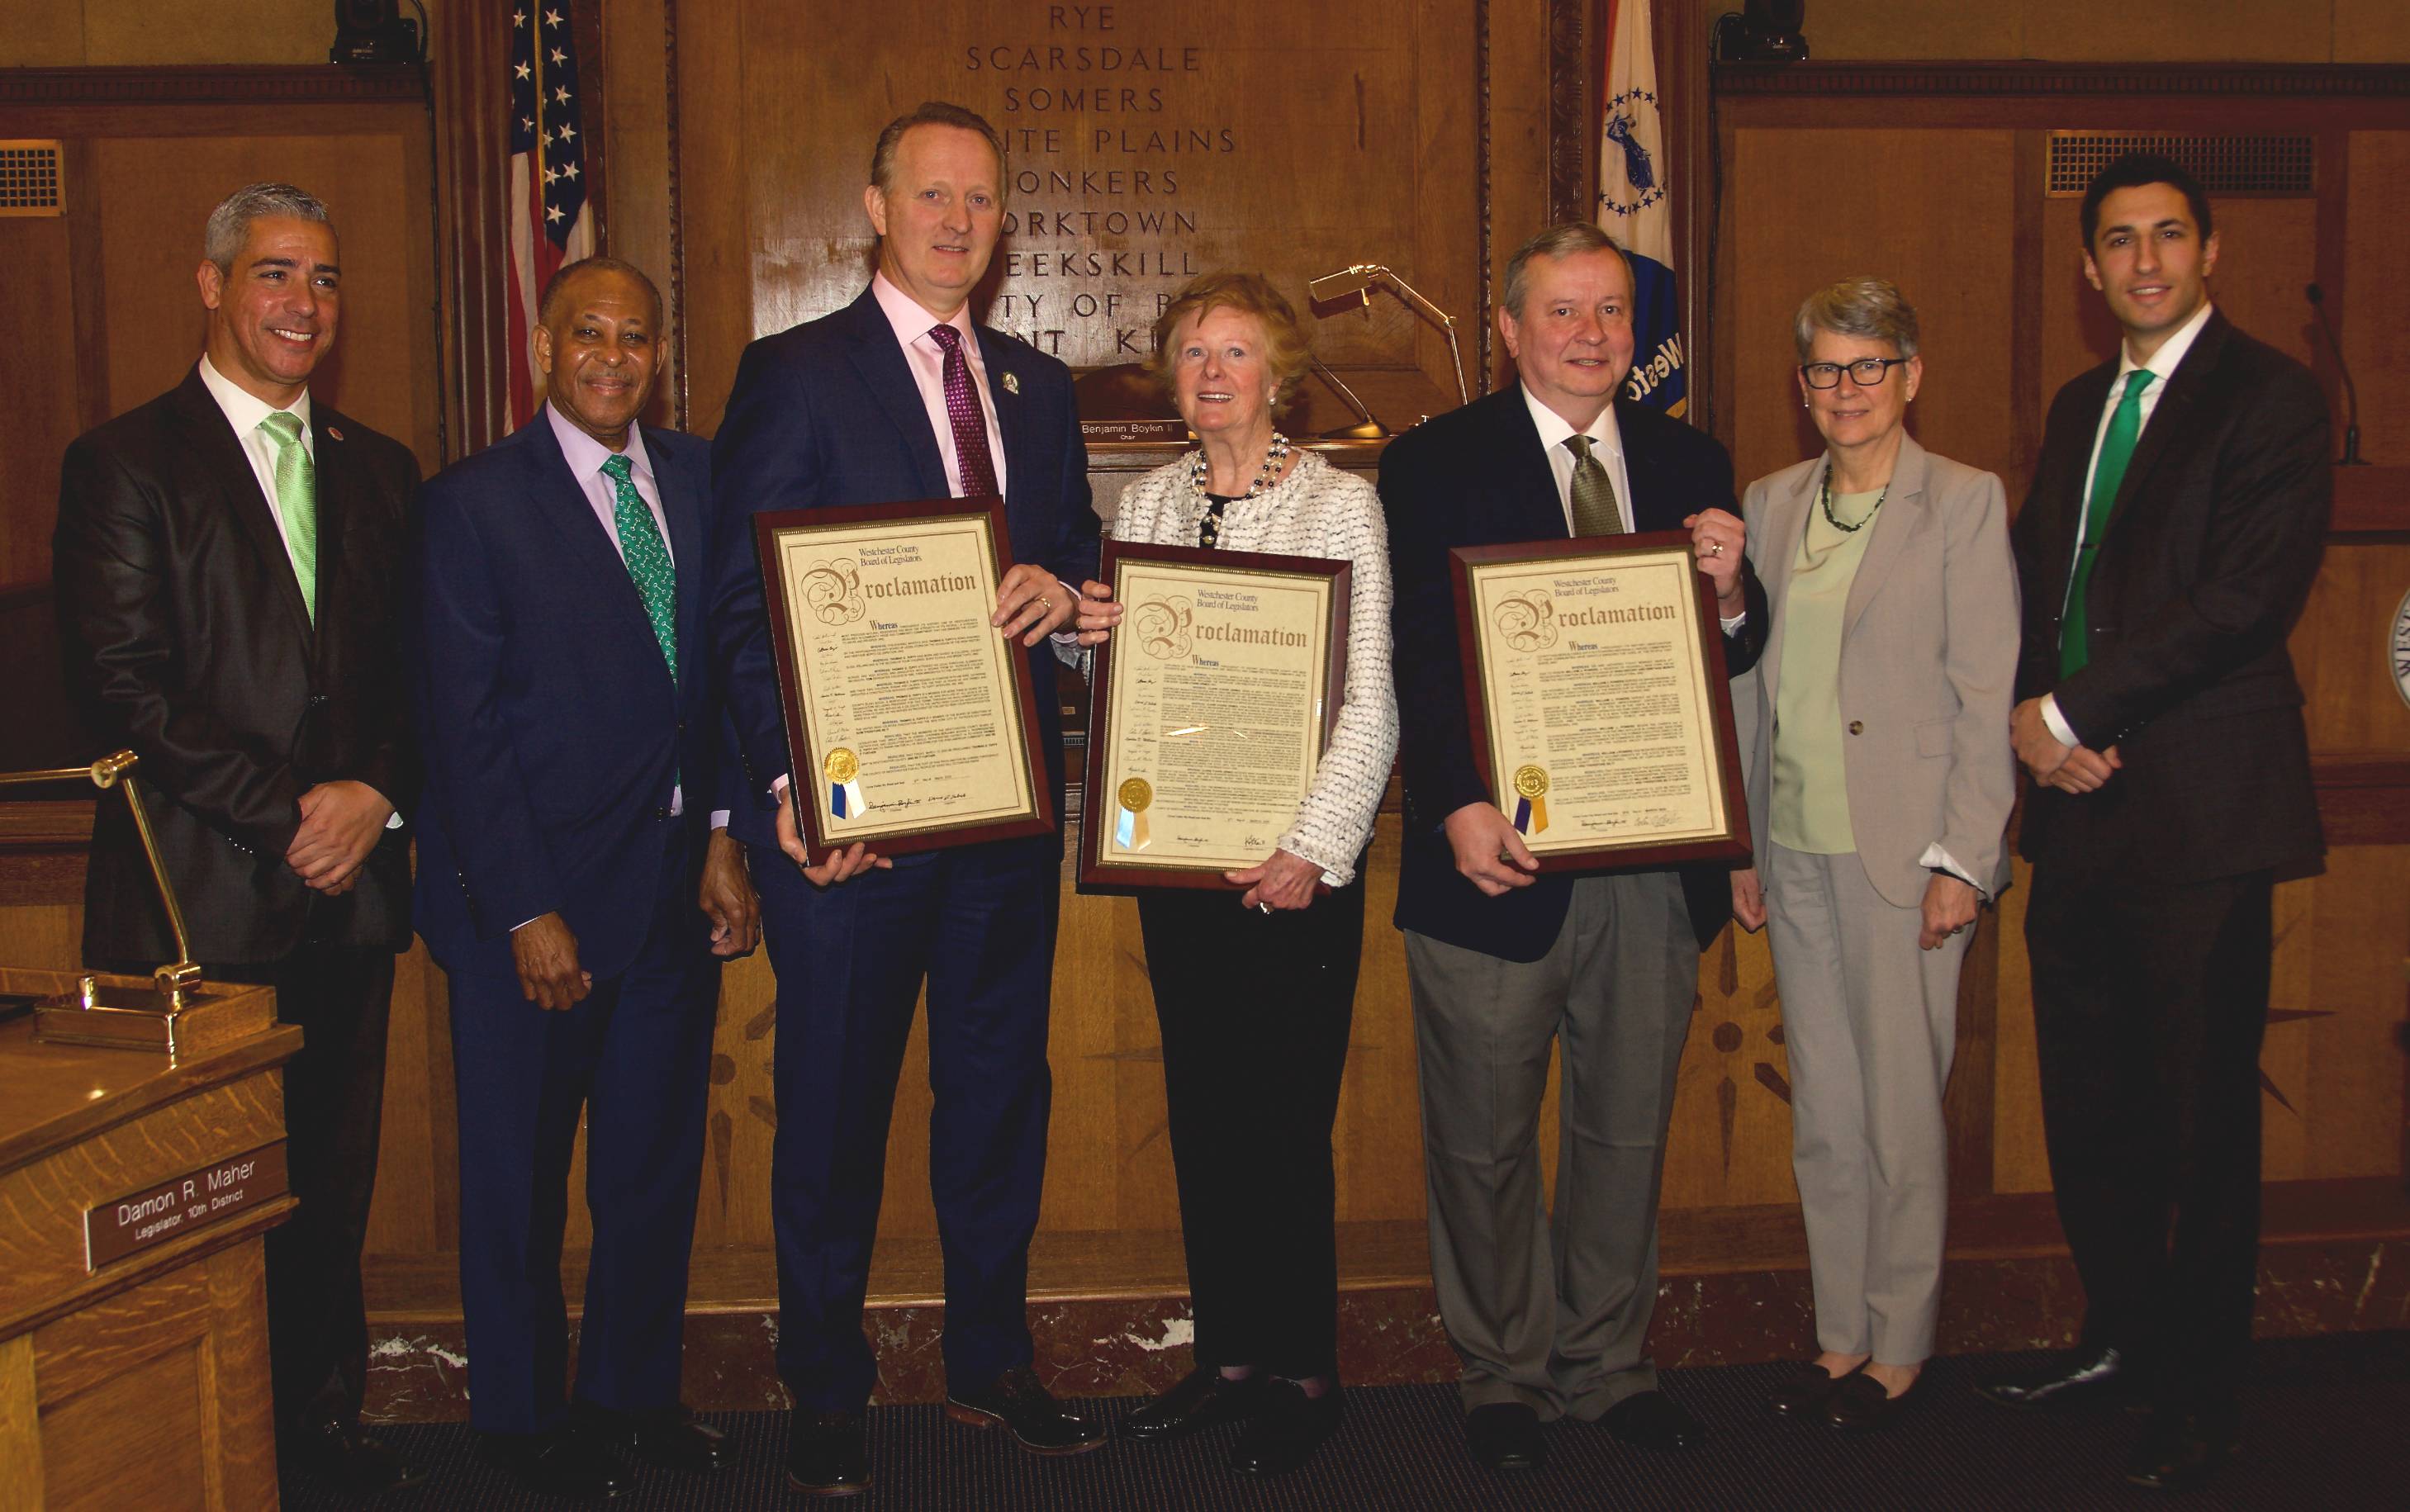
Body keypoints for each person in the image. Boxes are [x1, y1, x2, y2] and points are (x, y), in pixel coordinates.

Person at [709, 102, 1104, 1495]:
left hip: (1002, 823)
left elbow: (1072, 568)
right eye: (930, 194)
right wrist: (784, 791)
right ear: (875, 207)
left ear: (1003, 224)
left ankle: (991, 1361)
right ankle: (824, 1378)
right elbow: (742, 608)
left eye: (981, 200)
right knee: (831, 1107)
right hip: (856, 828)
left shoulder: (1034, 392)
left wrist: (1065, 594)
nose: (956, 219)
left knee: (996, 1093)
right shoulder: (796, 374)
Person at [51, 182, 425, 1493]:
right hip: (193, 909)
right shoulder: (123, 464)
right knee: (202, 1203)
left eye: (324, 281)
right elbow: (126, 689)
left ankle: (321, 1435)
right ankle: (211, 1455)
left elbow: (414, 676)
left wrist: (373, 794)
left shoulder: (381, 470)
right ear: (212, 286)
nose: (303, 305)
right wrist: (292, 815)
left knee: (325, 1192)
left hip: (352, 901)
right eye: (275, 275)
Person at [1380, 222, 1766, 1473]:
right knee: (1482, 1135)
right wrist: (1451, 802)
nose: (1591, 334)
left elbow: (1727, 660)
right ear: (1508, 329)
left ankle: (1607, 1364)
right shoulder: (1432, 463)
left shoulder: (1690, 456)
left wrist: (1724, 598)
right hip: (1493, 855)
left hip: (1650, 862)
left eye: (1610, 312)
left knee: (1624, 1126)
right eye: (1562, 312)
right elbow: (1412, 654)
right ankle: (1500, 1373)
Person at [1975, 153, 2330, 1494]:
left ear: (2210, 249)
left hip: (2201, 820)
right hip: (2076, 817)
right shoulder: (2080, 405)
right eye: (2116, 242)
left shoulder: (2270, 399)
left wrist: (2064, 713)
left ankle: (2200, 1390)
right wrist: (2031, 712)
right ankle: (2119, 1337)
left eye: (2166, 236)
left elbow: (2243, 598)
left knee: (2197, 1125)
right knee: (2091, 1107)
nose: (2142, 262)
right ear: (2087, 268)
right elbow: (2036, 578)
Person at [414, 256, 761, 1500]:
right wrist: (522, 905)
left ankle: (630, 1395)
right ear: (543, 349)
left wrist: (723, 831)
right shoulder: (471, 504)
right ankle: (516, 1422)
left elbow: (716, 676)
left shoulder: (705, 477)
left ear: (658, 355)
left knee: (650, 1168)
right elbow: (464, 731)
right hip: (534, 912)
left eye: (636, 338)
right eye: (588, 334)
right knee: (515, 1180)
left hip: (671, 892)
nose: (613, 357)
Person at [1087, 273, 1397, 1476]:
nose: (1211, 374)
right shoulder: (1150, 501)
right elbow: (1126, 681)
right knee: (1206, 1120)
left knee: (1282, 1127)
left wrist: (1311, 848)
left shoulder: (1338, 506)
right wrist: (1085, 635)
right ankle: (1225, 1361)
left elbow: (1371, 699)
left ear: (1282, 374)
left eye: (1235, 354)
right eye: (1190, 355)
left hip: (1290, 877)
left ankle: (1304, 1372)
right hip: (1182, 865)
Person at [1725, 277, 2018, 1431]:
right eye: (1825, 372)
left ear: (1909, 376)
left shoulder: (1960, 501)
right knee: (1825, 1115)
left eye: (1868, 367)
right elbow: (1750, 685)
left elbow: (1983, 687)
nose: (1845, 391)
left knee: (1900, 1110)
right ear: (1801, 388)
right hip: (1789, 845)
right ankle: (1838, 1333)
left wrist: (1964, 856)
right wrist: (1738, 842)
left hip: (1904, 858)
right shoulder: (1767, 500)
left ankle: (1901, 1339)